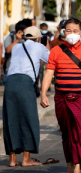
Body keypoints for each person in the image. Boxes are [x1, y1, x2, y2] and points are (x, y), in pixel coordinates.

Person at [40, 18, 81, 173]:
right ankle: (70, 164)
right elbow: (49, 73)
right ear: (63, 32)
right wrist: (43, 94)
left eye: (75, 31)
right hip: (61, 98)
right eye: (68, 30)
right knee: (67, 133)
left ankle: (78, 166)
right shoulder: (56, 50)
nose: (72, 34)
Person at [3, 26, 49, 167]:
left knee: (11, 119)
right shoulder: (39, 46)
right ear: (37, 38)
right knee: (28, 119)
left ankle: (12, 159)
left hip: (9, 83)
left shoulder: (17, 47)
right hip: (24, 83)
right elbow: (52, 61)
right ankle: (26, 159)